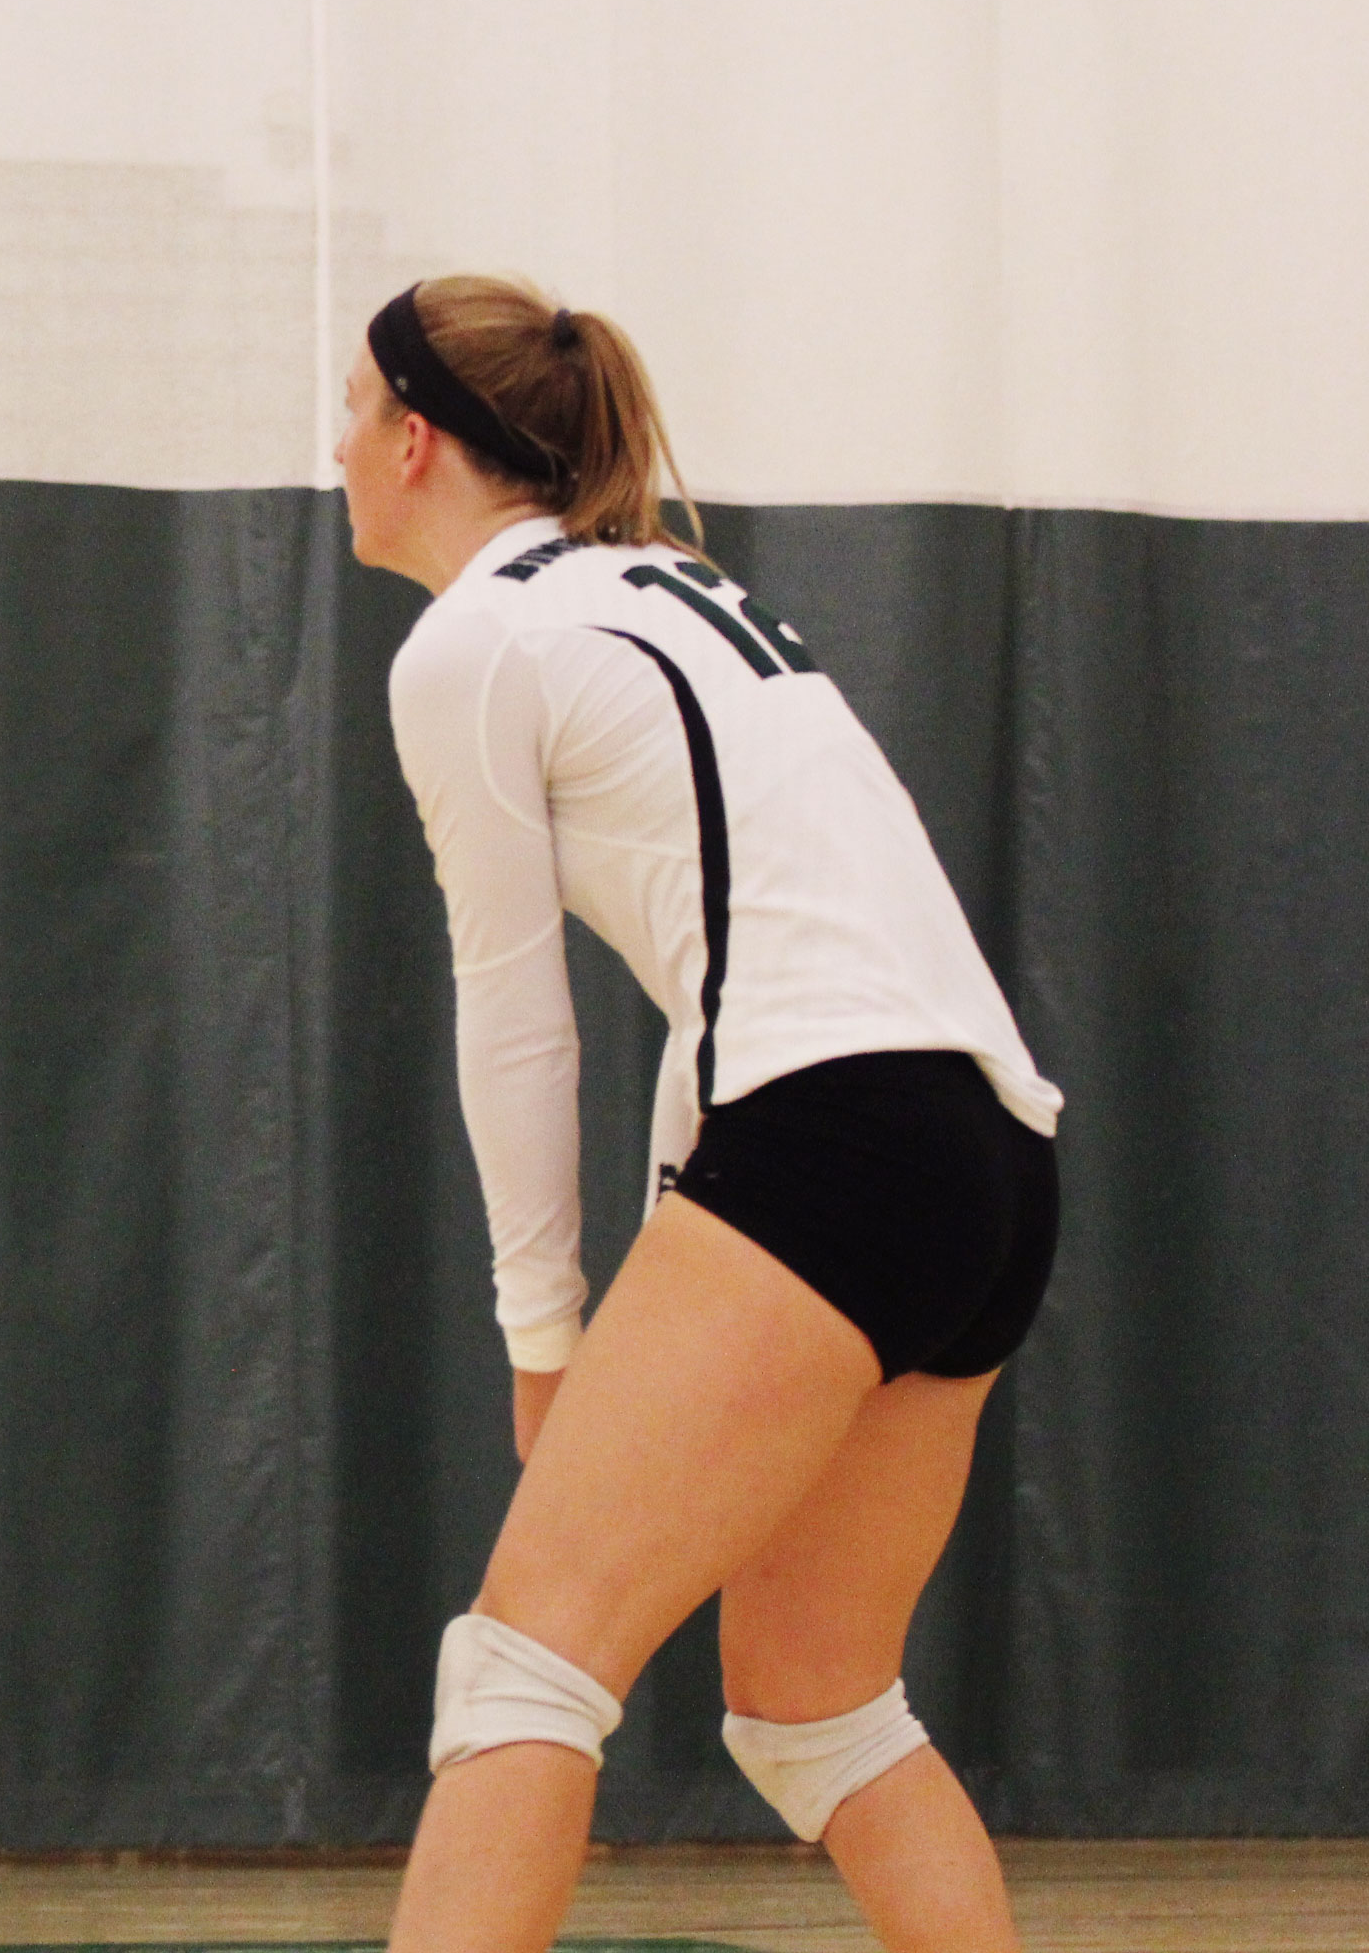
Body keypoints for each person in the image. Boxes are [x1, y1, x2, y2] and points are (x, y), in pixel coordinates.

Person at [336, 281, 1060, 1953]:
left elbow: (514, 1021)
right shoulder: (670, 590)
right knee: (818, 1707)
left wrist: (544, 1339)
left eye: (353, 413)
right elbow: (760, 947)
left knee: (524, 1667)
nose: (339, 450)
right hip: (992, 1155)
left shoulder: (476, 643)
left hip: (837, 1134)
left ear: (417, 439)